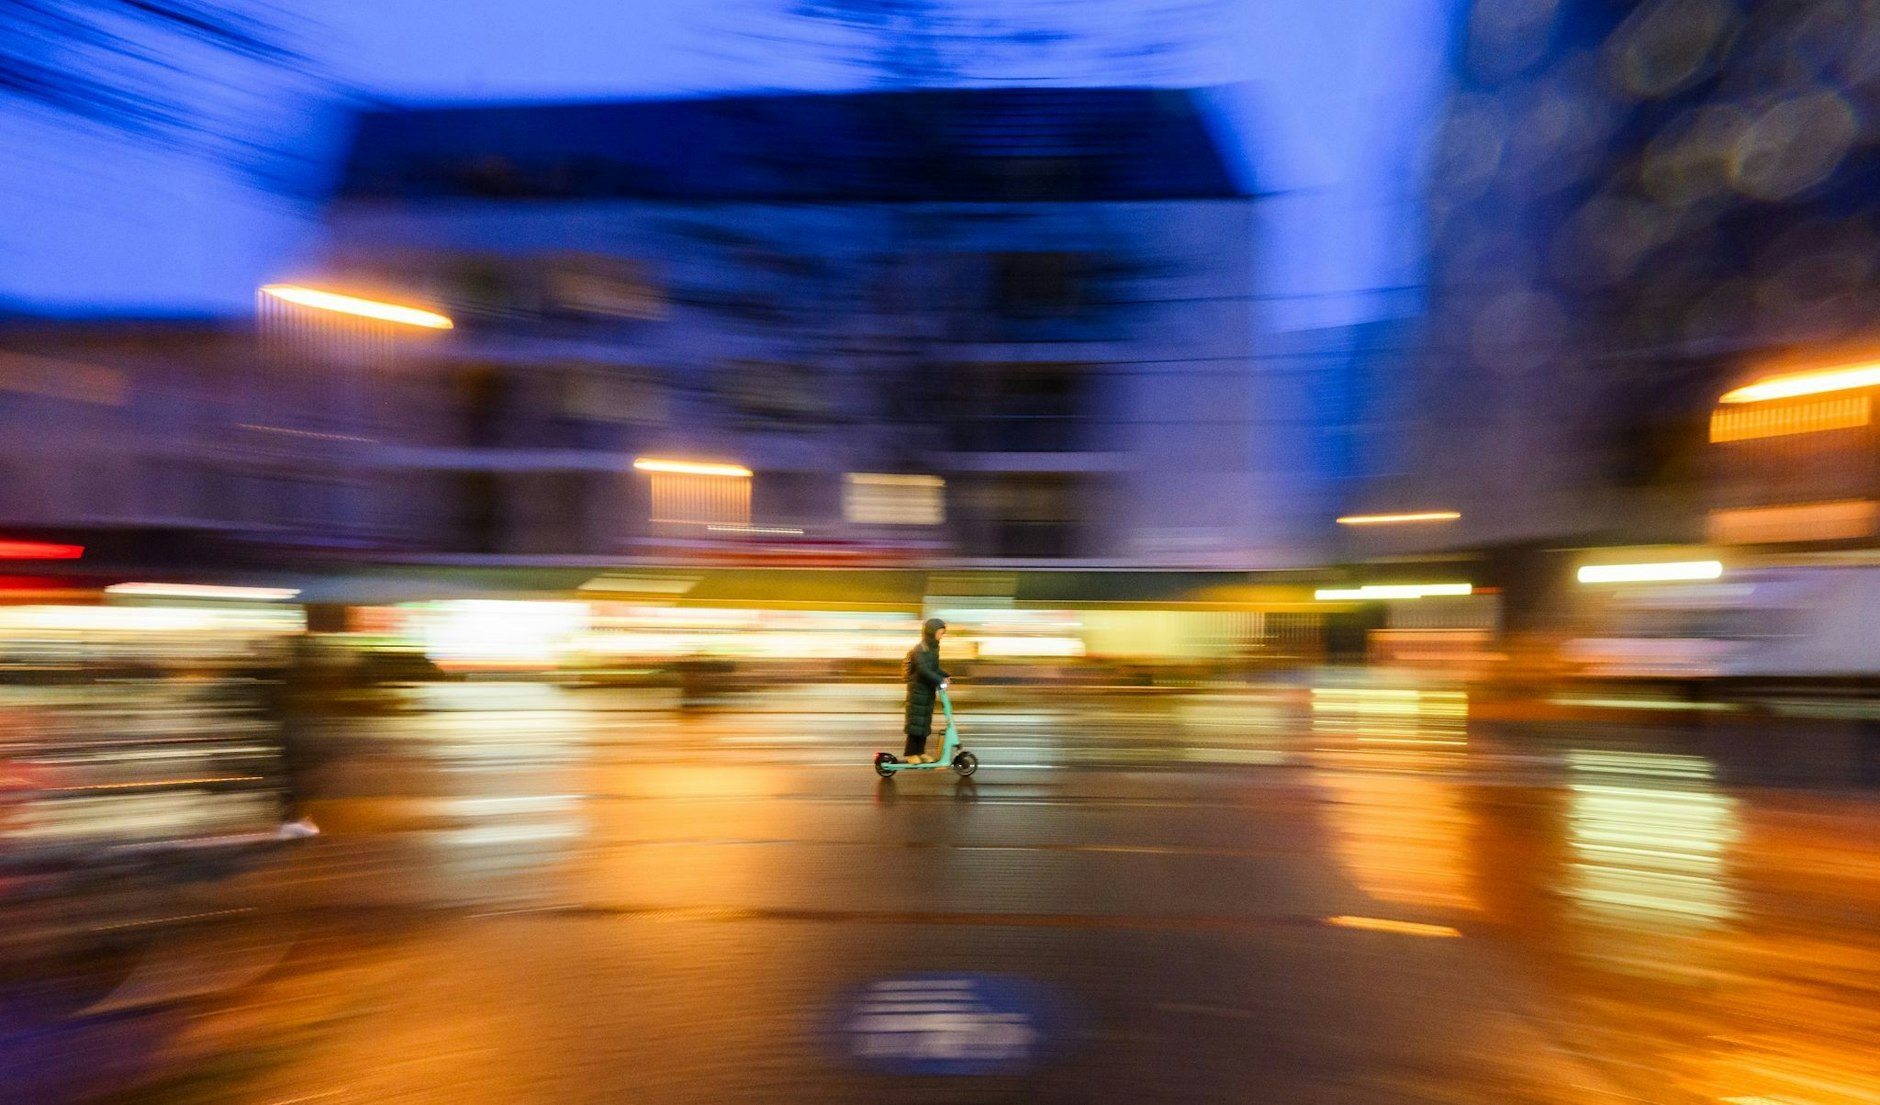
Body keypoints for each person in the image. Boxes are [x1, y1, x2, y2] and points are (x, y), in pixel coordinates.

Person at [901, 618, 951, 764]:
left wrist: (945, 675)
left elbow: (934, 668)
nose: (941, 636)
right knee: (915, 724)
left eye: (942, 633)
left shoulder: (934, 648)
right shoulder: (920, 649)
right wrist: (939, 680)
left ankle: (920, 752)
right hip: (918, 691)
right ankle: (911, 754)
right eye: (939, 633)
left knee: (924, 724)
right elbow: (923, 670)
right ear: (931, 632)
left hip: (928, 691)